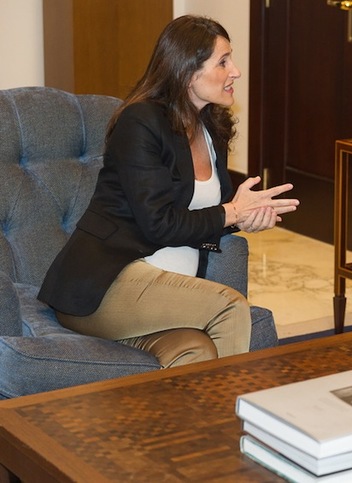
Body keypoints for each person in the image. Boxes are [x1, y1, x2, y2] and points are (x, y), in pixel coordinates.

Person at [38, 15, 299, 368]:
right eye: (222, 62)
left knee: (195, 351)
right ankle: (230, 421)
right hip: (107, 284)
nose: (235, 71)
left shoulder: (211, 127)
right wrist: (232, 211)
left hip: (167, 291)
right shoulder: (141, 122)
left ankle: (182, 423)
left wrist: (243, 218)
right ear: (188, 71)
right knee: (230, 305)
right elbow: (159, 224)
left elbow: (203, 216)